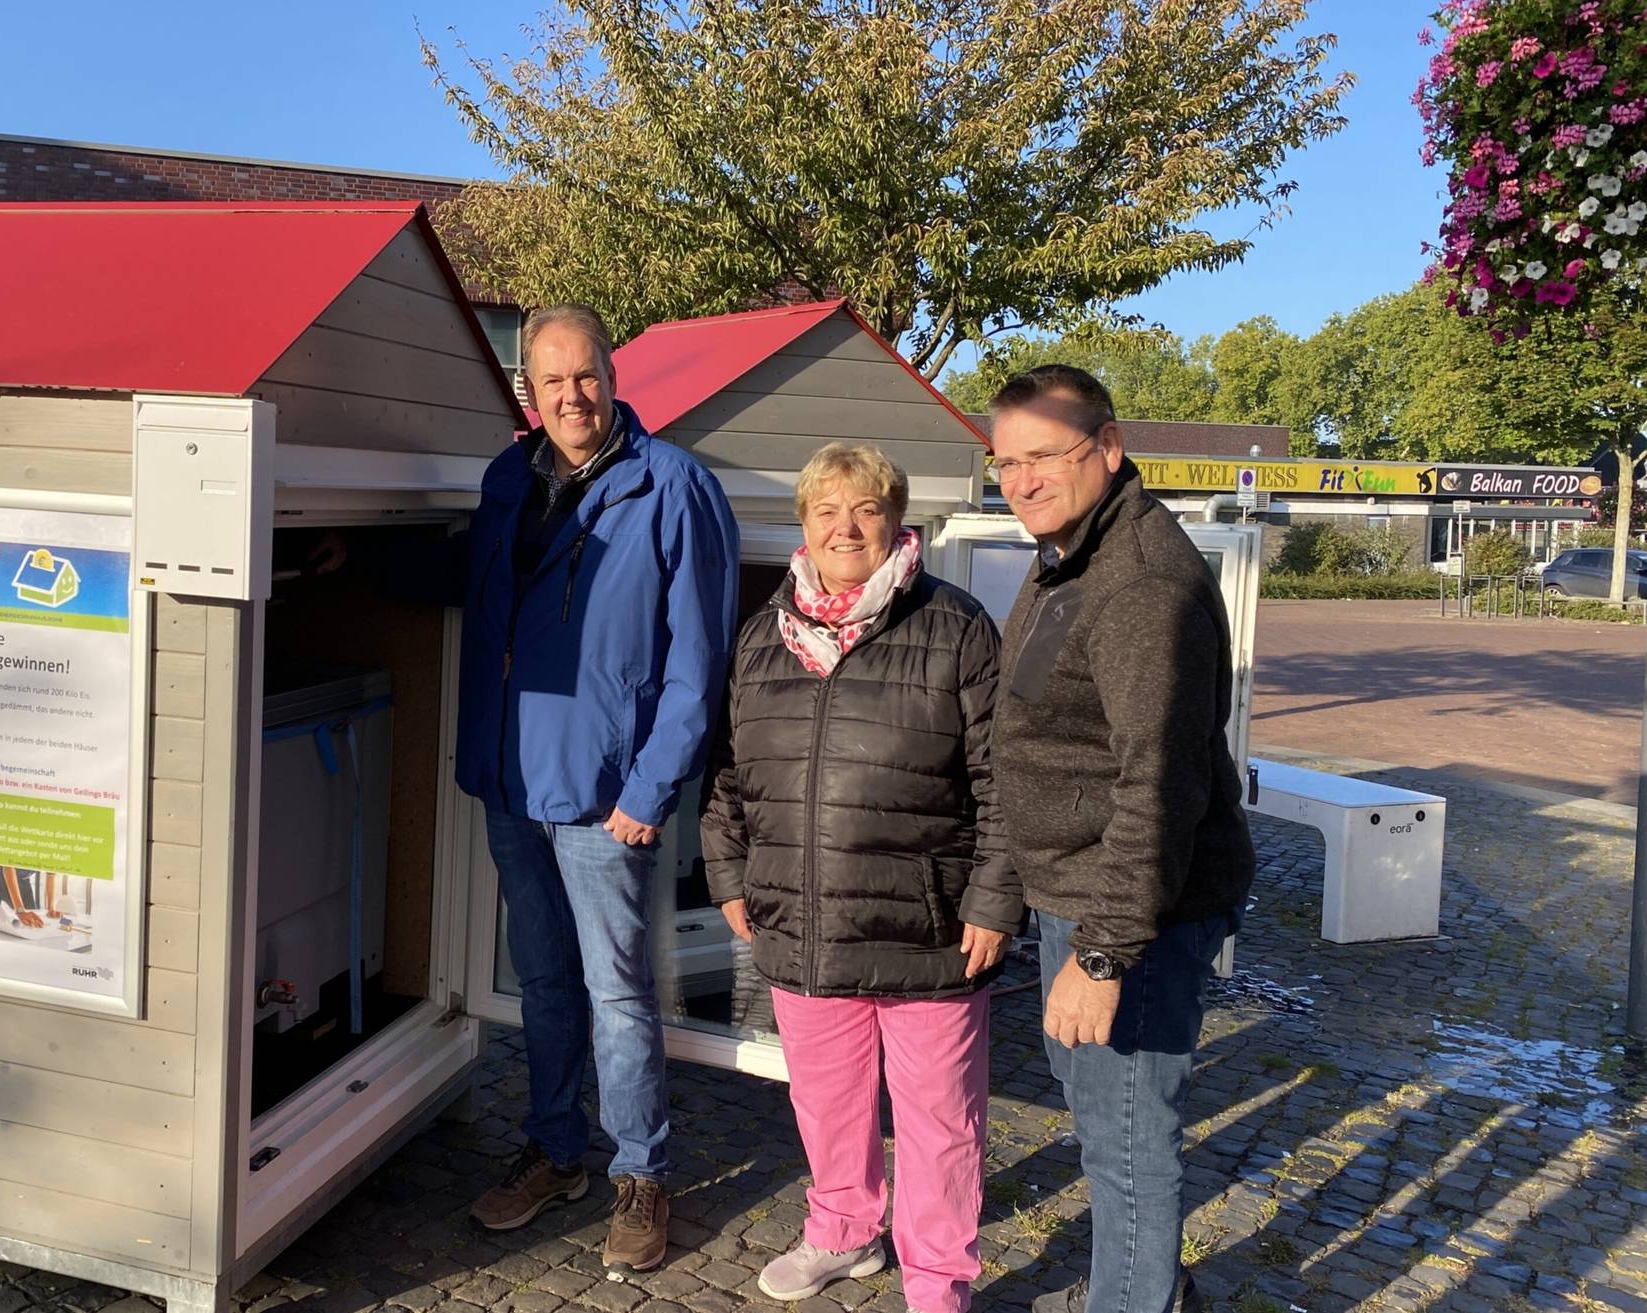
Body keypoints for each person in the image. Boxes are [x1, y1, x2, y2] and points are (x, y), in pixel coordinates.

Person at [700, 443, 1020, 1313]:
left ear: (896, 520)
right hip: (803, 925)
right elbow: (728, 771)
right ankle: (843, 1231)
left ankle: (938, 1280)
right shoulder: (763, 637)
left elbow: (1003, 778)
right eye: (826, 511)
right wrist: (730, 872)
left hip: (929, 930)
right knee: (828, 1105)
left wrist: (994, 896)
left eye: (866, 509)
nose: (846, 527)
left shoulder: (954, 626)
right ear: (803, 525)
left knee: (941, 1124)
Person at [462, 303, 740, 1279]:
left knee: (619, 992)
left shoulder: (673, 489)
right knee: (544, 979)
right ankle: (556, 1149)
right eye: (553, 382)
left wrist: (652, 787)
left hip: (605, 797)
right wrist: (350, 558)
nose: (572, 396)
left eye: (586, 377)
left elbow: (699, 663)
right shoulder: (508, 479)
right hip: (513, 783)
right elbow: (474, 578)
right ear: (528, 394)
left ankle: (643, 1174)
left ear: (612, 378)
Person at [985, 365, 1254, 1313]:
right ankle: (1154, 1288)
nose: (1020, 481)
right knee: (1105, 1117)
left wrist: (1100, 957)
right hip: (1076, 893)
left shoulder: (1141, 583)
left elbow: (1159, 785)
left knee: (1130, 1142)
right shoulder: (1069, 553)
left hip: (1132, 912)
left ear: (1106, 447)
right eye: (1005, 462)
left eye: (1043, 457)